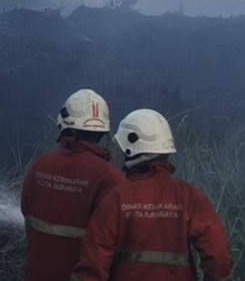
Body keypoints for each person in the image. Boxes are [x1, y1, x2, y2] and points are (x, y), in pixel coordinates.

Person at [71, 109, 233, 281]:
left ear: (130, 147)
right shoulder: (190, 196)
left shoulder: (117, 198)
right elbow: (217, 255)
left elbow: (93, 263)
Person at [21, 89, 125, 281]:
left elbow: (26, 209)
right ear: (103, 132)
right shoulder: (110, 178)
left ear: (64, 125)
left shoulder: (40, 165)